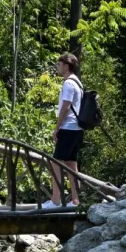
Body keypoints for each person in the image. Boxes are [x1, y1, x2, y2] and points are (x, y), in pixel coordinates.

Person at [44, 53, 83, 209]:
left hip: (68, 128)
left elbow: (65, 107)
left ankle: (55, 200)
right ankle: (76, 201)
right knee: (72, 165)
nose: (57, 68)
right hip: (78, 129)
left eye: (59, 65)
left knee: (56, 163)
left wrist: (56, 128)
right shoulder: (78, 83)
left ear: (66, 66)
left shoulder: (68, 83)